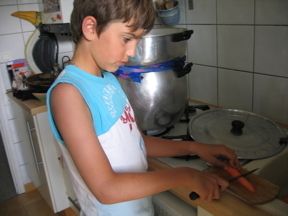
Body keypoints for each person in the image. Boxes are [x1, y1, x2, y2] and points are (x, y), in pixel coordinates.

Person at [46, 0, 239, 215]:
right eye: (127, 39)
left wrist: (195, 148)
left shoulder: (109, 78)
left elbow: (136, 141)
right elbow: (106, 189)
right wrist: (186, 175)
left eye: (137, 41)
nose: (131, 52)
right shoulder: (69, 94)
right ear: (90, 28)